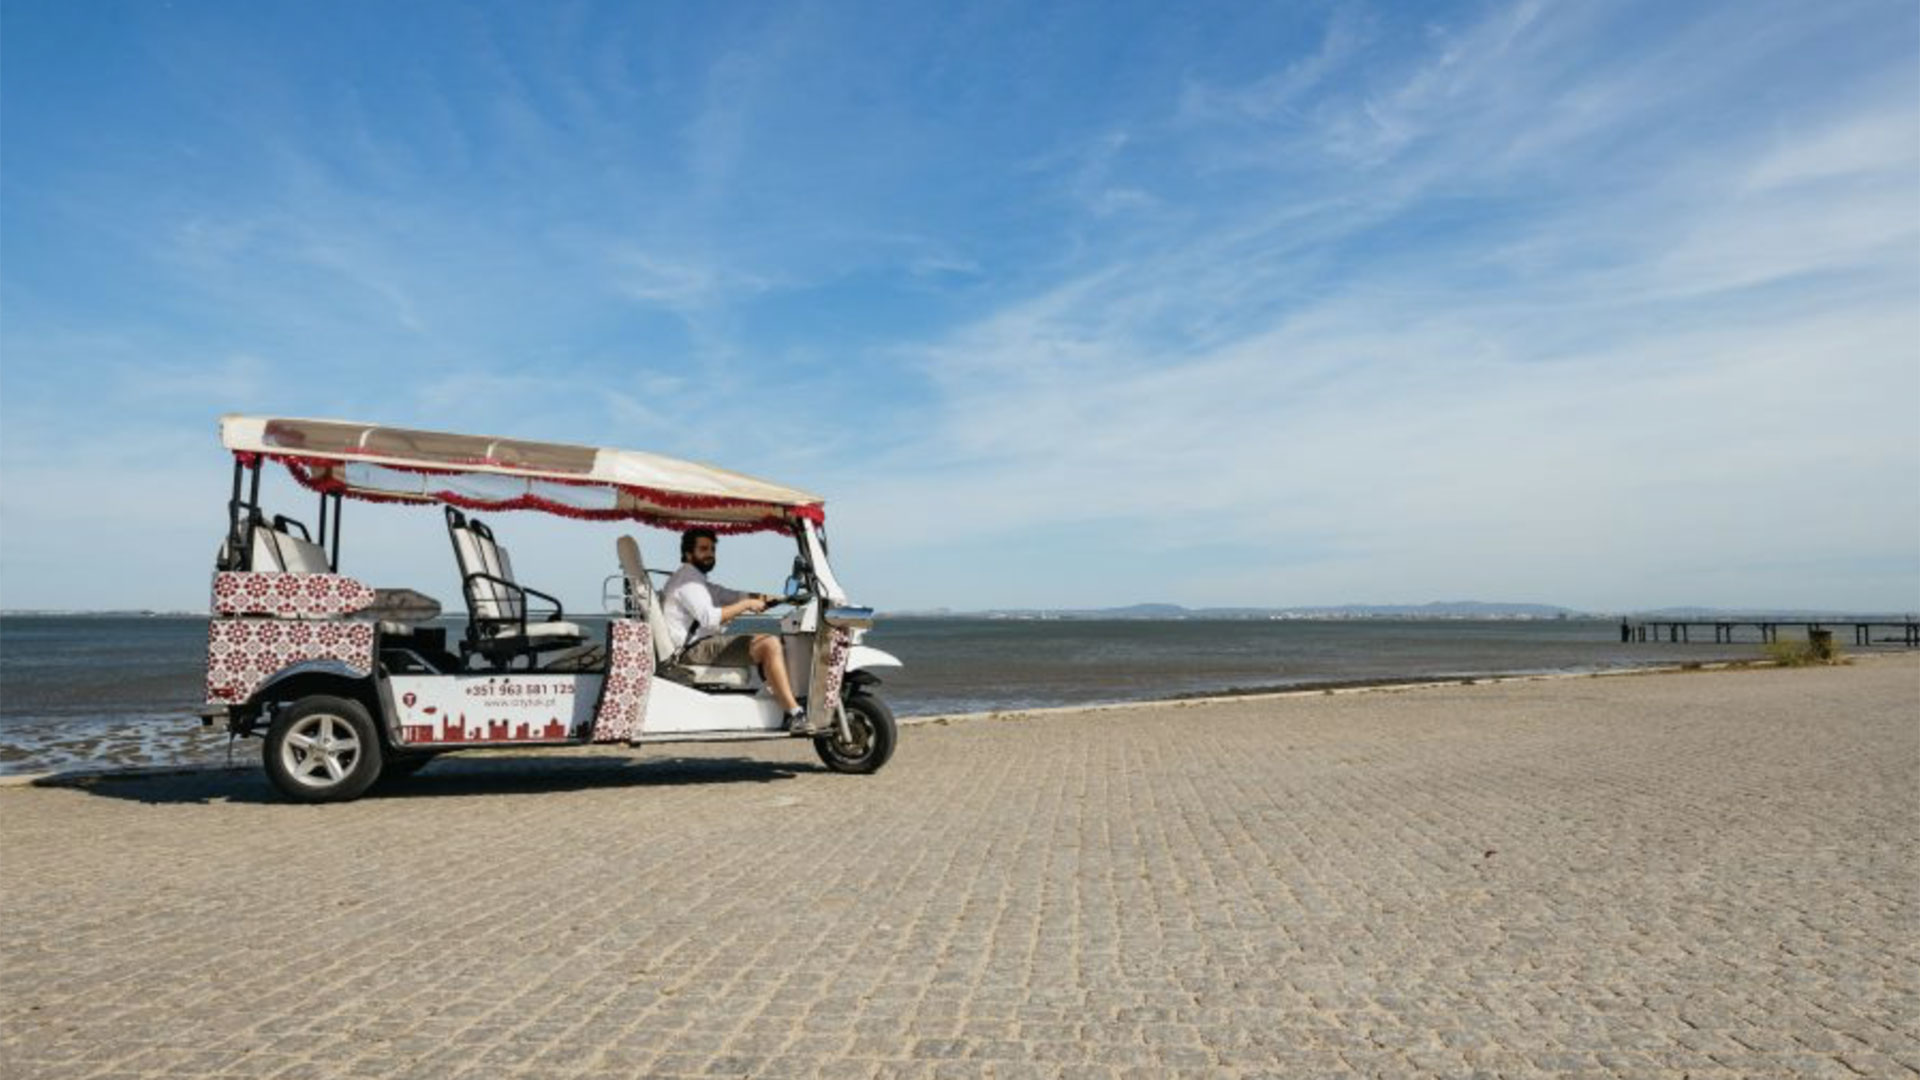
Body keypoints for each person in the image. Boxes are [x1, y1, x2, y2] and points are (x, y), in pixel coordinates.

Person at [661, 528, 808, 730]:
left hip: (698, 644)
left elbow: (727, 594)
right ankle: (794, 713)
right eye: (703, 549)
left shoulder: (694, 579)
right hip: (691, 650)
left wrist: (770, 597)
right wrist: (747, 604)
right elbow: (710, 618)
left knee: (769, 643)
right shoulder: (688, 582)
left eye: (712, 549)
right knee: (769, 644)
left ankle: (782, 700)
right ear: (688, 553)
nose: (710, 554)